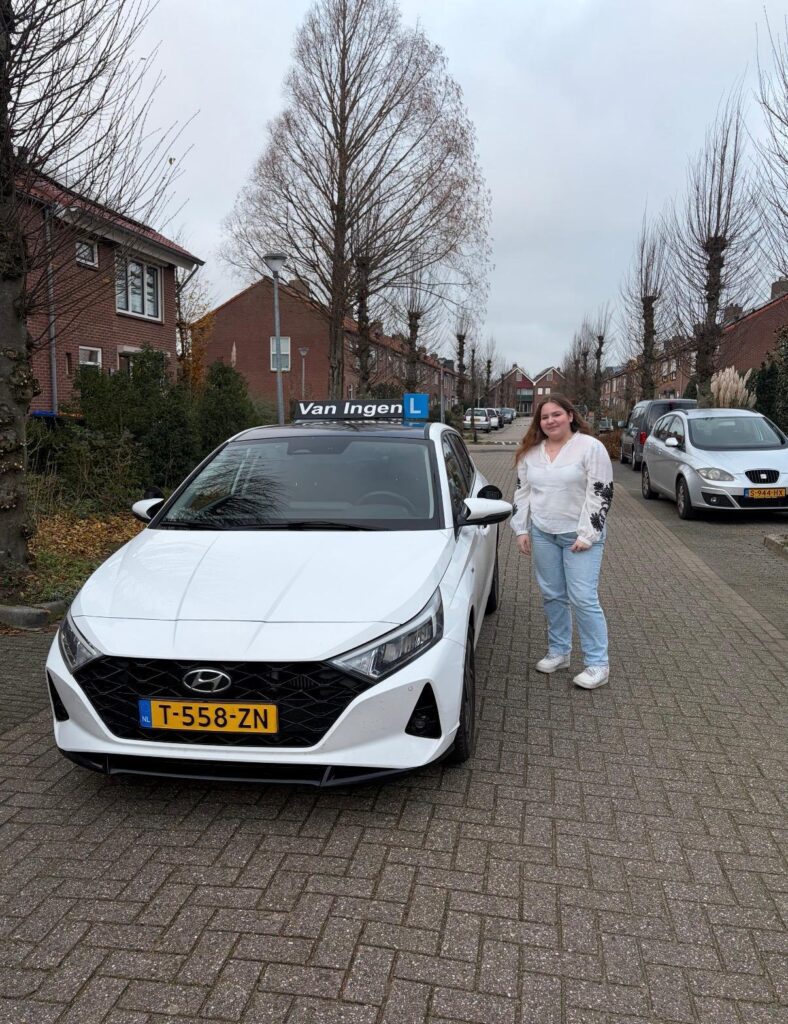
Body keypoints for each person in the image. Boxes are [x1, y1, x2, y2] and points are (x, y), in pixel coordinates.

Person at [511, 395, 613, 689]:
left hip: (578, 536)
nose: (550, 421)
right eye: (544, 417)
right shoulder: (531, 453)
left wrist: (588, 534)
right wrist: (521, 528)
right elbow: (522, 491)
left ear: (570, 415)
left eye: (556, 414)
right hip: (544, 532)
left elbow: (600, 491)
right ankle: (559, 652)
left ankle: (598, 664)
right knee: (553, 594)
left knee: (583, 597)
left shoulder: (590, 447)